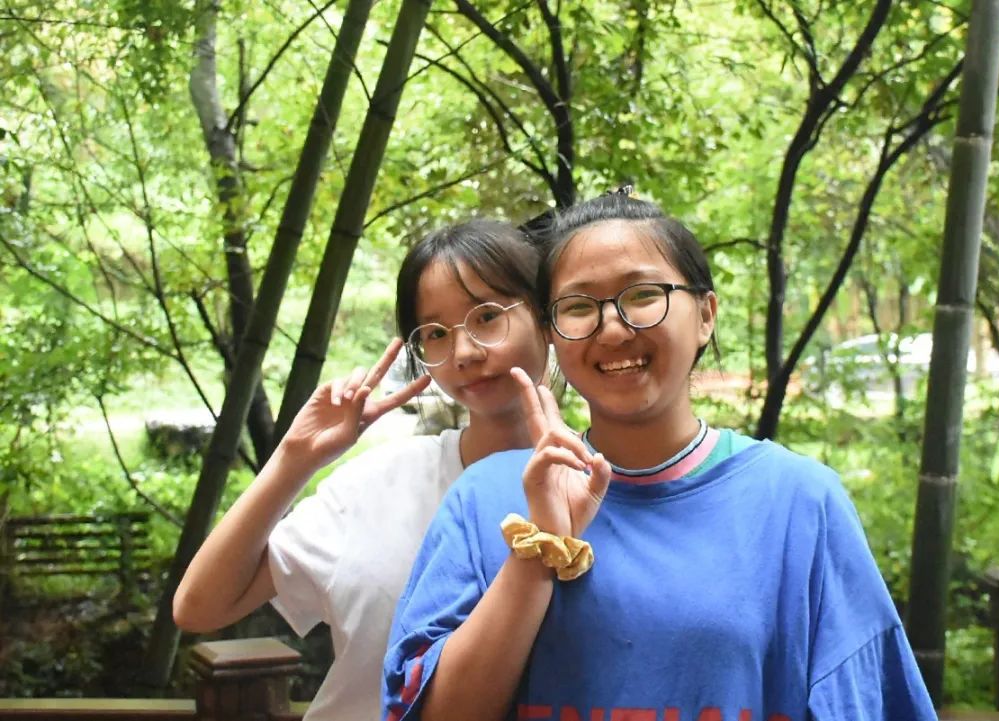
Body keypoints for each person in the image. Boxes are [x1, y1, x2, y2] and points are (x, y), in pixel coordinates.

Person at [383, 193, 936, 721]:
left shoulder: (799, 503)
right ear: (552, 334)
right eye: (578, 307)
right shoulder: (487, 498)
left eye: (643, 295)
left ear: (705, 314)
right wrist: (539, 549)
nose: (613, 328)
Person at [172, 219, 551, 721]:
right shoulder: (381, 483)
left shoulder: (617, 486)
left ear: (549, 316)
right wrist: (295, 458)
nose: (463, 352)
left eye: (487, 317)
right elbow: (200, 608)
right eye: (436, 333)